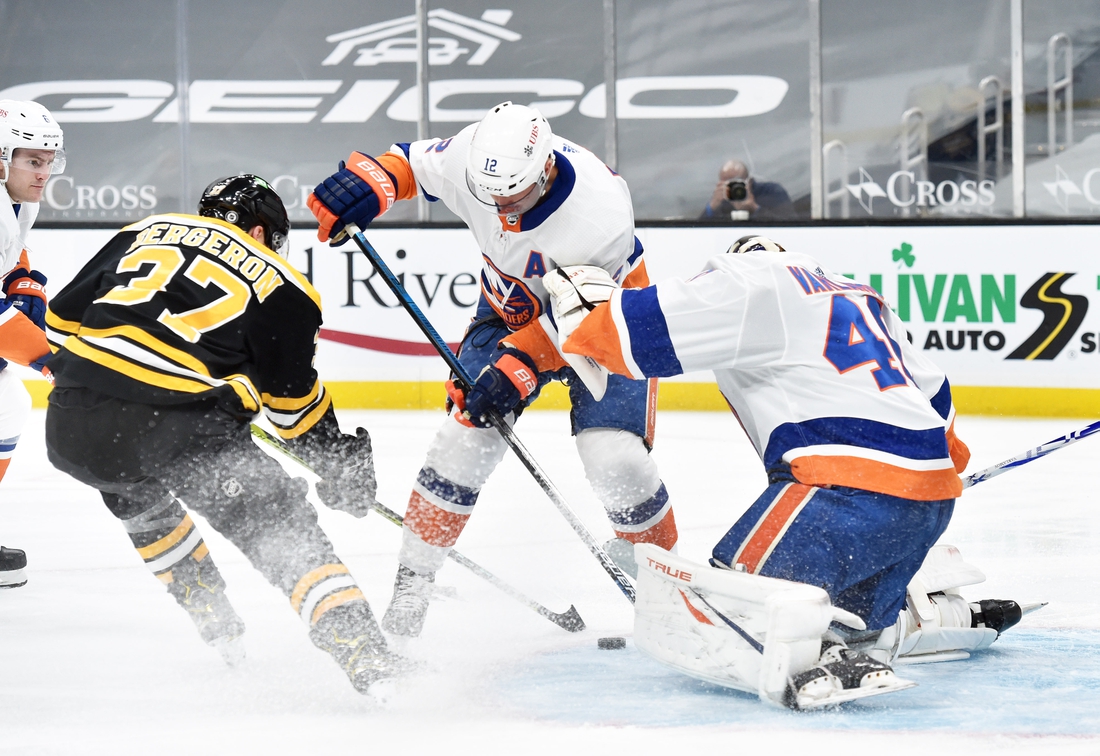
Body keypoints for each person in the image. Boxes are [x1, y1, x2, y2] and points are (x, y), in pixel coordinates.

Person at [543, 236, 1028, 708]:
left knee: (732, 610)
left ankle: (825, 655)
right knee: (847, 623)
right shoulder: (862, 297)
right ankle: (926, 619)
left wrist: (584, 307)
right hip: (929, 499)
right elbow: (939, 403)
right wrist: (922, 483)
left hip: (840, 489)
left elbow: (639, 335)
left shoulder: (757, 278)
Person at [307, 101, 678, 637]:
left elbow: (578, 325)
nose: (502, 207)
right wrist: (369, 184)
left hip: (610, 318)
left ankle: (665, 593)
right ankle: (412, 591)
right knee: (464, 441)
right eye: (491, 195)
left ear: (546, 169)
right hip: (507, 312)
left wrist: (518, 368)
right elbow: (410, 164)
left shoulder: (598, 214)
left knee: (615, 457)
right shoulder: (476, 157)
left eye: (516, 195)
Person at [43, 174, 411, 695]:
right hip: (181, 429)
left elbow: (58, 325)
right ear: (262, 232)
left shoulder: (147, 229)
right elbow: (294, 412)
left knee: (133, 488)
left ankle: (219, 631)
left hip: (72, 424)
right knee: (282, 528)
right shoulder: (286, 286)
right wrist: (340, 463)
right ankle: (369, 661)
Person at [0, 100, 65, 588]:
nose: (44, 173)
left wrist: (24, 282)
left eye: (49, 161)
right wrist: (47, 357)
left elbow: (10, 254)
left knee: (7, 408)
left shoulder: (20, 199)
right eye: (33, 161)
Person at [698, 160, 795, 222]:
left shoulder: (771, 192)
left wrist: (755, 208)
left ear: (750, 181)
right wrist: (712, 207)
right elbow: (699, 233)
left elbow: (791, 224)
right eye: (726, 184)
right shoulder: (722, 200)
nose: (733, 189)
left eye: (736, 183)